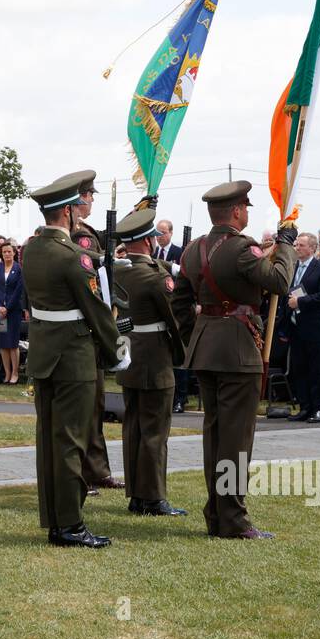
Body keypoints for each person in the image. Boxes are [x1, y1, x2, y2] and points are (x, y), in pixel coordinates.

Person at [172, 181, 296, 539]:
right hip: (238, 350)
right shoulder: (243, 248)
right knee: (236, 439)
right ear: (238, 211)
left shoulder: (194, 249)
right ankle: (233, 519)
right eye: (246, 208)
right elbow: (279, 281)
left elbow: (179, 302)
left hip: (206, 349)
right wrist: (286, 246)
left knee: (214, 436)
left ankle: (217, 513)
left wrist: (195, 337)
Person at [22, 175, 124, 547]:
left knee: (49, 440)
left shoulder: (31, 249)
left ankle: (55, 519)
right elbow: (96, 310)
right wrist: (115, 352)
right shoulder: (73, 257)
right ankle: (70, 524)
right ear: (67, 210)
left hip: (45, 353)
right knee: (71, 442)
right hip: (74, 357)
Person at [113, 208, 186, 517]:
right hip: (154, 356)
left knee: (133, 427)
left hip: (127, 350)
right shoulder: (155, 276)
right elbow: (173, 316)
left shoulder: (118, 271)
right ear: (147, 241)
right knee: (155, 430)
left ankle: (136, 495)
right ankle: (153, 497)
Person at [61, 169, 123, 492]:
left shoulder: (85, 231)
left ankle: (96, 468)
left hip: (90, 322)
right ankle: (88, 469)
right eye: (89, 195)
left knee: (96, 401)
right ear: (79, 199)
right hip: (85, 324)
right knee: (88, 402)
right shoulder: (80, 236)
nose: (92, 200)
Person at [281, 232, 320, 423]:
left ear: (312, 248)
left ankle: (319, 408)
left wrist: (301, 302)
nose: (297, 248)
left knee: (318, 370)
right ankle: (304, 406)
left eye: (302, 245)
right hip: (296, 327)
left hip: (316, 328)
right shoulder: (292, 267)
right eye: (296, 245)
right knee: (299, 369)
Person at [0, 239, 25, 385]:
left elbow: (18, 291)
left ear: (14, 252)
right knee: (3, 344)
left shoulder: (19, 268)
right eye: (4, 252)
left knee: (13, 343)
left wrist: (7, 307)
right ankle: (7, 372)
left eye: (9, 251)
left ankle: (15, 373)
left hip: (13, 311)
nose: (7, 254)